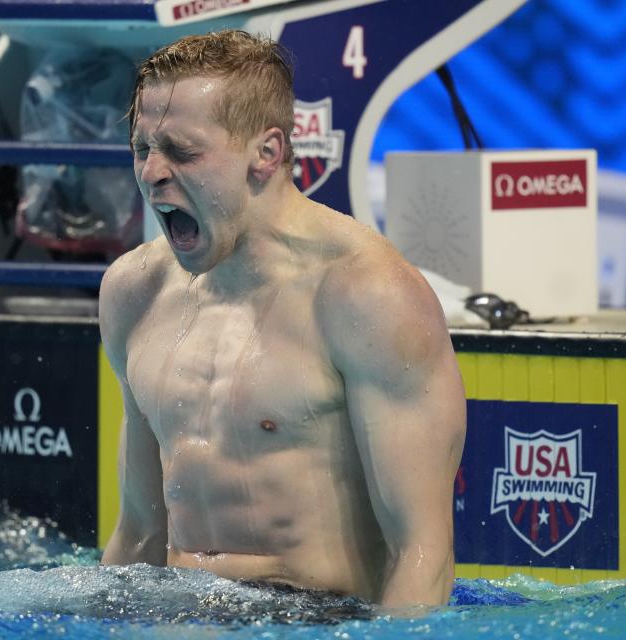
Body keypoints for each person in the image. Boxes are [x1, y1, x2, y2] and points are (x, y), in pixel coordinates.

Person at [98, 30, 466, 610]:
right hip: (177, 613)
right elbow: (140, 534)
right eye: (143, 148)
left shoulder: (364, 295)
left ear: (266, 154)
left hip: (314, 617)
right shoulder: (133, 291)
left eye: (182, 151)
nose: (151, 173)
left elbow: (422, 556)